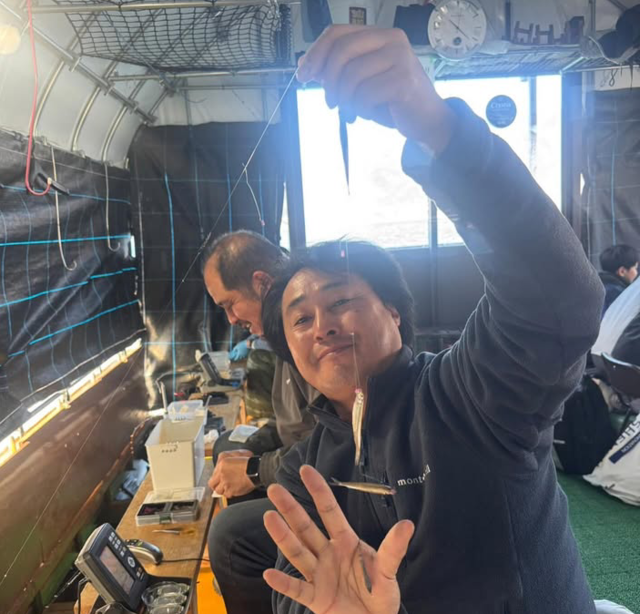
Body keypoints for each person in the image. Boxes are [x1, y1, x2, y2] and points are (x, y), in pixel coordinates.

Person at [256, 25, 605, 614]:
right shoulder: (304, 472)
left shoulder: (470, 395)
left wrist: (438, 129)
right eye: (301, 319)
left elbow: (559, 300)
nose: (323, 326)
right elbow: (296, 590)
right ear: (290, 353)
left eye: (341, 301)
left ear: (394, 312)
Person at [202, 230, 317, 614]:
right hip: (303, 457)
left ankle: (244, 563)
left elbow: (334, 445)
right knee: (229, 444)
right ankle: (258, 576)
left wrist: (255, 469)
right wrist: (249, 450)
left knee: (229, 537)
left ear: (262, 283)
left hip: (332, 487)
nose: (232, 319)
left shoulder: (307, 337)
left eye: (230, 304)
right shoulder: (281, 337)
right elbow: (294, 424)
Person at [599, 244, 639, 316]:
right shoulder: (620, 295)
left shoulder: (600, 287)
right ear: (622, 271)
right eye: (635, 268)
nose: (636, 272)